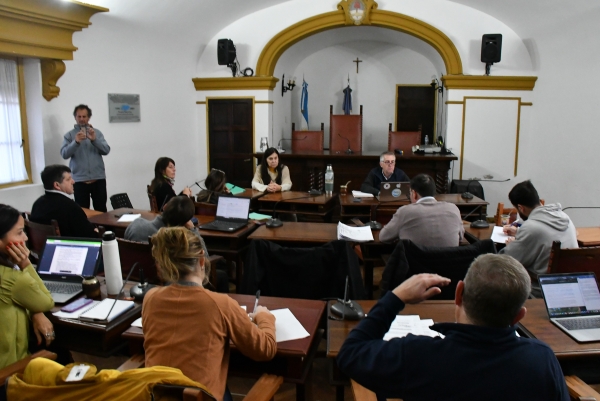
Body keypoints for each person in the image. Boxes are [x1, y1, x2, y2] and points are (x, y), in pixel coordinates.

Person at [337, 254, 569, 401]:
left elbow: (350, 354)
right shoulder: (543, 359)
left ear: (458, 293)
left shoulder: (418, 355)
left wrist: (395, 297)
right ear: (519, 316)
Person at [142, 227, 277, 401]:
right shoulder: (221, 304)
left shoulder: (150, 298)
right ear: (201, 260)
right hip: (201, 396)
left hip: (155, 395)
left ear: (162, 264)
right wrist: (265, 317)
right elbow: (265, 349)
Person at [125, 196, 229, 293]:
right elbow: (204, 262)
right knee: (222, 275)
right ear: (185, 222)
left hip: (134, 282)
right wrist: (193, 230)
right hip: (170, 285)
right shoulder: (177, 241)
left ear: (165, 207)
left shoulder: (135, 225)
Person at [0, 204, 55, 369]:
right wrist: (25, 262)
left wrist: (34, 310)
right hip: (10, 373)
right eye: (19, 233)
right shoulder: (11, 279)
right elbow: (46, 301)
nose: (25, 238)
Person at [499, 180, 577, 295]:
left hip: (540, 290)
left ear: (521, 208)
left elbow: (507, 261)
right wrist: (519, 232)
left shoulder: (531, 228)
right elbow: (545, 234)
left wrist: (511, 246)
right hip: (570, 286)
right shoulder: (565, 217)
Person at [379, 174, 464, 247]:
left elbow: (383, 237)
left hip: (414, 265)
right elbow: (460, 237)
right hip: (448, 264)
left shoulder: (405, 211)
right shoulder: (453, 209)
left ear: (414, 193)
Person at [60, 104, 110, 212]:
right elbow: (64, 154)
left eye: (84, 116)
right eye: (79, 116)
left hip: (98, 179)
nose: (82, 119)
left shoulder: (97, 133)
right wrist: (76, 142)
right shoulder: (69, 135)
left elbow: (106, 150)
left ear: (89, 117)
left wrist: (94, 140)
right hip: (79, 181)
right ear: (75, 117)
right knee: (82, 212)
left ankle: (102, 229)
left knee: (101, 211)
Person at [31, 164, 98, 238]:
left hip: (43, 248)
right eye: (68, 179)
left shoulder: (37, 204)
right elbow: (89, 236)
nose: (73, 182)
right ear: (57, 185)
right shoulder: (70, 207)